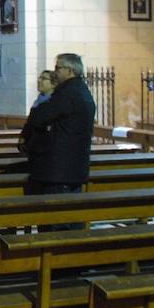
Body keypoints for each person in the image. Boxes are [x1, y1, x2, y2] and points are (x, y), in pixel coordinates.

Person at [24, 53, 97, 230]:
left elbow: (39, 117)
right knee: (72, 217)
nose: (55, 72)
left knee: (56, 222)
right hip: (75, 166)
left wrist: (37, 110)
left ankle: (53, 256)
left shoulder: (66, 93)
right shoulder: (83, 91)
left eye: (58, 68)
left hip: (59, 169)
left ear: (70, 70)